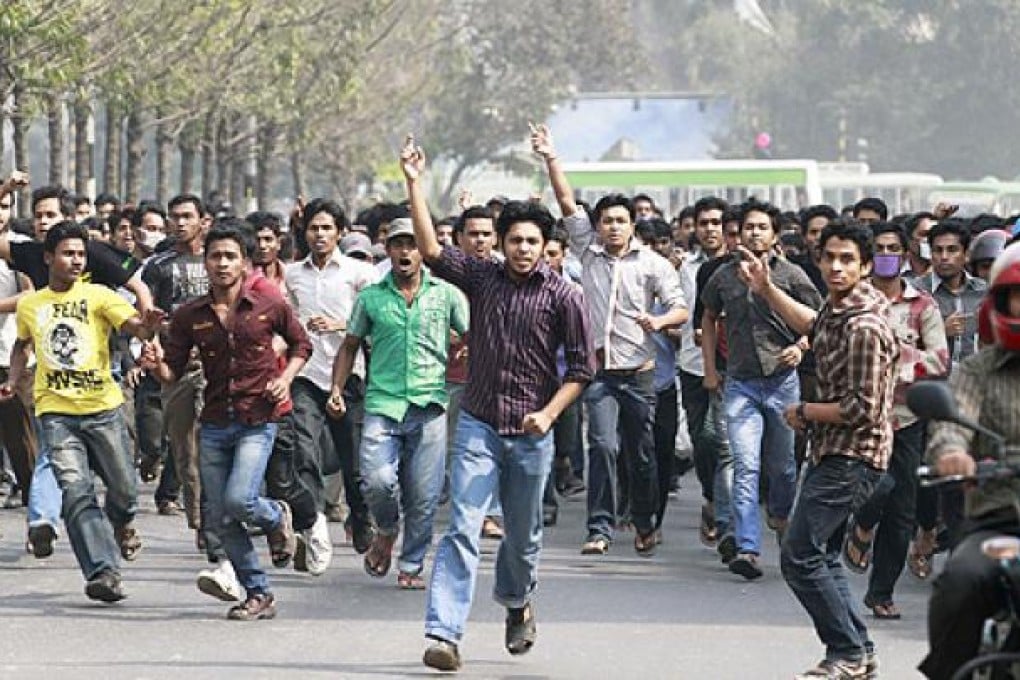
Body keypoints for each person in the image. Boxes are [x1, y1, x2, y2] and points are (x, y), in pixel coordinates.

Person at [400, 137, 595, 672]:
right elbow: (433, 251)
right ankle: (443, 633)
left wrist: (550, 414)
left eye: (532, 241)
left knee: (523, 536)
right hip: (481, 425)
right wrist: (415, 184)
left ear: (544, 245)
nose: (523, 249)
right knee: (462, 525)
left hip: (533, 433)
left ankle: (516, 601)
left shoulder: (564, 297)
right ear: (502, 243)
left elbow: (581, 370)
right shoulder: (482, 278)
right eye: (515, 240)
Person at [738, 218, 898, 679]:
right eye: (829, 257)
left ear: (866, 266)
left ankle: (845, 652)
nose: (835, 266)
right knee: (823, 556)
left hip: (853, 455)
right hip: (833, 452)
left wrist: (803, 411)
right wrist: (767, 289)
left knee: (800, 555)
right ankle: (859, 651)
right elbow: (814, 324)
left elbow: (861, 408)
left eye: (847, 259)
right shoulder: (841, 309)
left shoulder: (866, 325)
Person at [531, 123, 687, 558]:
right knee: (601, 446)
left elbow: (680, 308)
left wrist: (657, 322)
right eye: (606, 221)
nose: (613, 228)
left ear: (633, 224)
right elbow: (565, 202)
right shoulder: (587, 253)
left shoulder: (654, 264)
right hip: (597, 373)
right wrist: (550, 157)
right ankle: (599, 527)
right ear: (596, 227)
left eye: (621, 221)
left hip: (639, 373)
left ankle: (643, 522)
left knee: (640, 455)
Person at [142, 223, 312, 620]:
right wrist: (156, 365)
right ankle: (259, 592)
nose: (222, 263)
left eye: (230, 256)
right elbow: (173, 372)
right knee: (220, 516)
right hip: (216, 420)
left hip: (258, 418)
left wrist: (284, 380)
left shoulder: (269, 305)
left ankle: (275, 516)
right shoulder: (189, 315)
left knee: (239, 500)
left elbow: (302, 343)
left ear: (245, 263)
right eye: (215, 256)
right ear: (205, 263)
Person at [4, 221, 164, 601]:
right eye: (68, 254)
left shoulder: (97, 296)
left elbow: (135, 326)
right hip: (56, 414)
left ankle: (122, 524)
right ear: (48, 258)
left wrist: (147, 328)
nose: (76, 261)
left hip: (103, 410)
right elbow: (22, 346)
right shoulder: (32, 304)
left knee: (123, 492)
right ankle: (102, 571)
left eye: (80, 254)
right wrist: (13, 379)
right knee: (76, 492)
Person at [327, 218, 468, 590]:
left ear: (423, 250)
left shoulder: (446, 295)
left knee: (424, 495)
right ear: (387, 250)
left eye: (412, 244)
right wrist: (336, 389)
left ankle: (411, 565)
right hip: (383, 403)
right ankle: (387, 529)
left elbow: (474, 335)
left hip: (431, 403)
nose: (405, 252)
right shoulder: (371, 297)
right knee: (376, 480)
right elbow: (350, 345)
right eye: (398, 245)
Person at [701, 198, 823, 579]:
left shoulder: (792, 276)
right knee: (745, 465)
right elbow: (707, 316)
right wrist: (709, 368)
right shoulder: (722, 276)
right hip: (739, 384)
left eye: (762, 227)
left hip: (782, 383)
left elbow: (819, 323)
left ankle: (782, 515)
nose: (754, 233)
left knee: (783, 467)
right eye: (748, 227)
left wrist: (800, 348)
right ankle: (747, 547)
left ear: (774, 234)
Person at [918, 241, 1020, 679]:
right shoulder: (977, 370)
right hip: (999, 520)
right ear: (1001, 301)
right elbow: (952, 421)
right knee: (960, 581)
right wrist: (953, 453)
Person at [841, 222, 948, 621]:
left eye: (893, 248)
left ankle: (881, 591)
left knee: (903, 508)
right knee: (874, 488)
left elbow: (939, 360)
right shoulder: (851, 301)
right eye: (880, 248)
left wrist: (895, 360)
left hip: (906, 418)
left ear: (905, 255)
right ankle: (861, 526)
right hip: (862, 416)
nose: (887, 254)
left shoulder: (923, 306)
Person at [284, 198, 377, 555]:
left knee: (352, 459)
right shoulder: (293, 275)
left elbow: (377, 322)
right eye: (313, 228)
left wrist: (342, 324)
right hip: (305, 374)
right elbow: (285, 320)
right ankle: (313, 520)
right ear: (304, 232)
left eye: (326, 228)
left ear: (340, 232)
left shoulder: (360, 274)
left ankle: (361, 514)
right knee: (303, 450)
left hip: (349, 375)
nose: (320, 235)